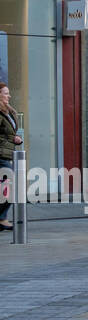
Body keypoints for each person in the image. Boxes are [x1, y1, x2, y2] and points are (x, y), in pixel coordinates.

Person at [0, 84, 20, 230]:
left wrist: (15, 138)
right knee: (11, 186)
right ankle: (1, 218)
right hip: (0, 155)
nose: (9, 96)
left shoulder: (7, 111)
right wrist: (11, 140)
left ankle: (1, 218)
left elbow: (9, 133)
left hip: (6, 154)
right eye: (6, 93)